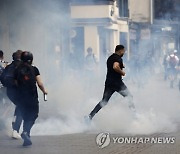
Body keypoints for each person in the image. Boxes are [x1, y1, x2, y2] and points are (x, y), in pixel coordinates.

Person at [86, 45, 136, 120]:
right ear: (120, 50)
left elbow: (114, 65)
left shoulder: (111, 58)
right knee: (129, 96)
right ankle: (134, 116)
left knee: (104, 101)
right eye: (123, 51)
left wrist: (121, 66)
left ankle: (90, 116)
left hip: (109, 82)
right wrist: (122, 72)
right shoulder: (117, 58)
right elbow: (115, 67)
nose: (124, 52)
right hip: (117, 83)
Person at [15, 51, 47, 146]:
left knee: (25, 116)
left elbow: (15, 83)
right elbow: (40, 83)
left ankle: (26, 138)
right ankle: (25, 132)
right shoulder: (34, 69)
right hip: (32, 97)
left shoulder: (17, 69)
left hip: (21, 97)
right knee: (33, 115)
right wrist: (44, 91)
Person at [2, 50, 23, 139]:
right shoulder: (23, 66)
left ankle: (12, 127)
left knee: (18, 107)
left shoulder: (8, 67)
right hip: (20, 91)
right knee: (21, 108)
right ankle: (15, 130)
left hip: (9, 92)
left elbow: (2, 79)